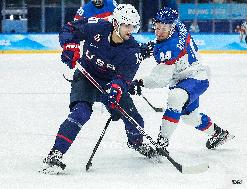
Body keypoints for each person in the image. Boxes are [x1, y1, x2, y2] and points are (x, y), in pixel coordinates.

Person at [40, 4, 156, 175]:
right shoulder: (96, 26)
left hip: (110, 83)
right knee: (80, 113)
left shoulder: (132, 50)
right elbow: (69, 28)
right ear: (115, 23)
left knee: (134, 118)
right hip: (86, 77)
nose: (130, 30)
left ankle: (136, 142)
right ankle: (55, 153)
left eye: (133, 26)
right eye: (126, 25)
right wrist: (70, 47)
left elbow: (123, 78)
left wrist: (115, 91)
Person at [132, 7, 235, 156]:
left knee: (175, 97)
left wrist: (139, 82)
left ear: (171, 27)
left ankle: (162, 142)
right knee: (190, 118)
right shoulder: (178, 25)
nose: (159, 32)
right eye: (157, 27)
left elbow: (160, 79)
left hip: (195, 77)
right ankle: (219, 133)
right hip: (187, 76)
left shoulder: (170, 48)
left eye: (163, 29)